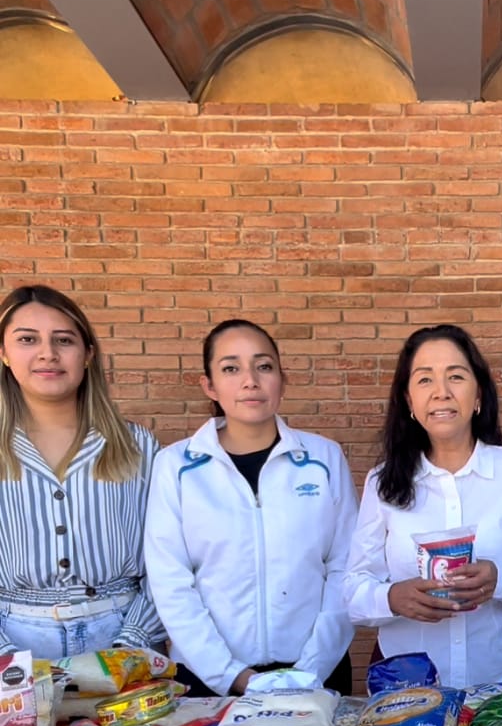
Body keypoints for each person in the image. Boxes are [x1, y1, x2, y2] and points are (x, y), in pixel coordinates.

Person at [343, 324, 502, 687]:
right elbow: (353, 588)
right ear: (408, 400)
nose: (441, 392)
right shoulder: (382, 482)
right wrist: (392, 598)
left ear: (478, 394)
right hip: (407, 682)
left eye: (456, 376)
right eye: (425, 379)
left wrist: (501, 580)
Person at [144, 318, 357, 696]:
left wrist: (310, 670)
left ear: (282, 379)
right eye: (231, 368)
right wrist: (231, 676)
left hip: (316, 673)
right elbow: (170, 581)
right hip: (209, 679)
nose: (250, 381)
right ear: (209, 385)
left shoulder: (323, 458)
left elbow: (345, 567)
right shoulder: (176, 466)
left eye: (264, 366)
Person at [0, 283, 162, 659]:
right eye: (27, 339)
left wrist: (131, 644)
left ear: (88, 354)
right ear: (4, 353)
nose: (48, 353)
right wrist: (6, 658)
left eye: (64, 340)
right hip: (14, 636)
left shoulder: (137, 445)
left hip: (125, 629)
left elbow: (171, 559)